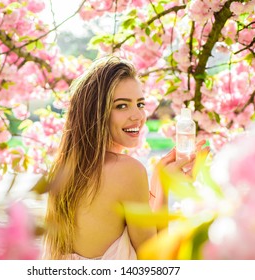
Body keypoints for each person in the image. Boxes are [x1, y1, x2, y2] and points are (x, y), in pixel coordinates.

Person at [41, 56, 206, 260]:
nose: (137, 116)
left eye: (140, 104)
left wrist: (159, 181)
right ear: (96, 113)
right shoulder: (127, 170)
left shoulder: (64, 171)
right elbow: (155, 262)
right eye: (121, 106)